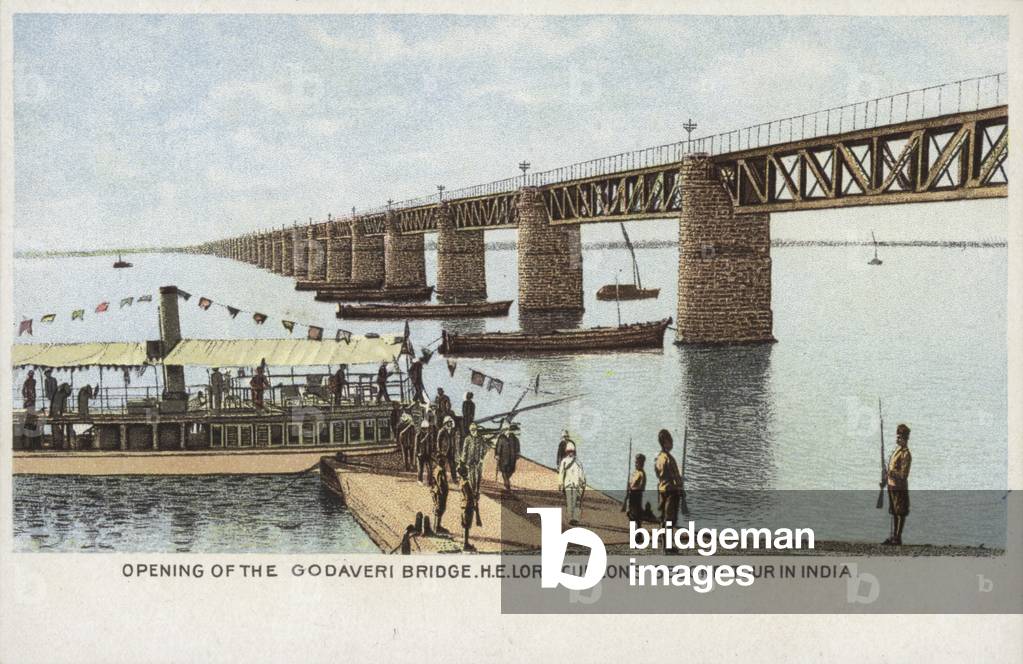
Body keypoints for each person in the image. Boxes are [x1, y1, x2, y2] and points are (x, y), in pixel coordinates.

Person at [884, 424, 913, 546]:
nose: (897, 439)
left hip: (899, 487)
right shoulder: (896, 451)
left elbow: (903, 475)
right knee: (894, 511)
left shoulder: (906, 454)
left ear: (905, 439)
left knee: (900, 512)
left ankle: (897, 537)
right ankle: (894, 536)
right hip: (891, 486)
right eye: (897, 437)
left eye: (900, 437)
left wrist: (891, 472)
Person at [655, 429, 682, 549]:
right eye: (670, 441)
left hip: (661, 488)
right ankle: (668, 545)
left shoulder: (658, 457)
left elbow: (658, 473)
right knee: (670, 519)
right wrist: (680, 487)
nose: (672, 444)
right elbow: (676, 476)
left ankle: (663, 542)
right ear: (665, 442)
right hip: (672, 490)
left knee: (662, 518)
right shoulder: (670, 459)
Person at [557, 441, 587, 526]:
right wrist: (560, 483)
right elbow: (561, 473)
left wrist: (583, 482)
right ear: (567, 452)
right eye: (569, 451)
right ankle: (571, 518)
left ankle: (576, 518)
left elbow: (581, 473)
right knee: (570, 502)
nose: (571, 453)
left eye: (572, 451)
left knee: (577, 502)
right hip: (568, 485)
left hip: (577, 485)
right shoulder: (564, 461)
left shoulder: (578, 462)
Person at [459, 423, 488, 498]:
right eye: (472, 430)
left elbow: (485, 448)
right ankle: (473, 491)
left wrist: (482, 457)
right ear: (470, 430)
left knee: (478, 477)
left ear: (476, 430)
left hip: (478, 461)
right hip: (470, 461)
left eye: (474, 430)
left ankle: (477, 491)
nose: (473, 431)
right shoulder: (467, 439)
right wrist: (463, 461)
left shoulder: (480, 438)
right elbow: (464, 450)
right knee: (471, 477)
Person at [494, 423, 520, 491]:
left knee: (511, 471)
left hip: (512, 458)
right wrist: (497, 454)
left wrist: (518, 453)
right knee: (504, 471)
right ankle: (507, 484)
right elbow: (498, 447)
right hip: (503, 458)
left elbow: (517, 447)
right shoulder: (501, 438)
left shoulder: (515, 439)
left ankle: (506, 480)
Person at [431, 455, 450, 535]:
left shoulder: (436, 469)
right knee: (440, 508)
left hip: (436, 491)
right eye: (444, 461)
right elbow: (441, 483)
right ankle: (437, 527)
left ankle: (436, 526)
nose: (445, 463)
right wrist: (444, 492)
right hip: (440, 492)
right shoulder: (441, 470)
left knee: (437, 508)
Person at [626, 453, 647, 523]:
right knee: (629, 514)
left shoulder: (642, 474)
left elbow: (642, 487)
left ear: (642, 463)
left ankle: (637, 532)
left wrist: (633, 488)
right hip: (631, 496)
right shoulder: (635, 472)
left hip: (636, 496)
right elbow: (630, 483)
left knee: (635, 516)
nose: (635, 464)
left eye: (637, 463)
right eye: (635, 462)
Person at [437, 416, 460, 481]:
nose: (450, 423)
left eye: (450, 422)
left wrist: (455, 449)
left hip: (451, 451)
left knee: (452, 466)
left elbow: (454, 440)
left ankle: (454, 479)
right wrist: (439, 450)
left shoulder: (452, 431)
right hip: (443, 451)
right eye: (449, 422)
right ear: (446, 423)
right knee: (442, 466)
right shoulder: (442, 430)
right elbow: (438, 441)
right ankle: (442, 479)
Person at [460, 477, 477, 552]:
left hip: (463, 505)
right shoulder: (466, 483)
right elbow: (469, 496)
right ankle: (465, 544)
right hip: (467, 506)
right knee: (466, 525)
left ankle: (464, 543)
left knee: (465, 525)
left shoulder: (461, 482)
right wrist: (475, 497)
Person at [415, 420, 434, 484]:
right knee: (420, 469)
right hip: (421, 454)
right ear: (422, 428)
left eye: (426, 428)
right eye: (424, 429)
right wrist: (417, 453)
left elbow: (431, 444)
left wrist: (432, 453)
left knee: (430, 469)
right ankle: (419, 480)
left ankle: (430, 481)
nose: (425, 430)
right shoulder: (418, 435)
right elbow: (417, 444)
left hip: (428, 454)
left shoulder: (430, 436)